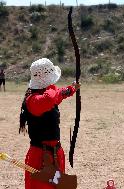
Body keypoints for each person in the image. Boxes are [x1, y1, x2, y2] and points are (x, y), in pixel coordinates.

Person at [19, 58, 81, 189]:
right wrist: (52, 86)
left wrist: (71, 89)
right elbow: (51, 98)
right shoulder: (34, 100)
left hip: (55, 154)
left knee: (60, 186)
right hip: (40, 158)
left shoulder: (46, 94)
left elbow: (57, 95)